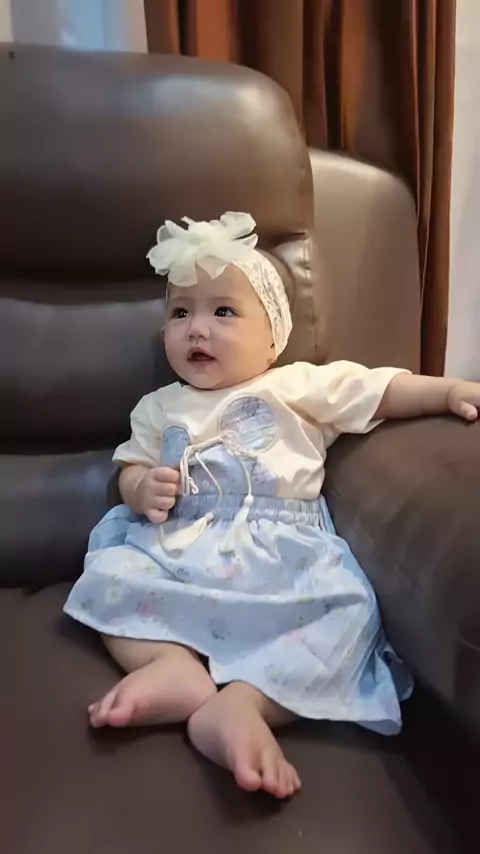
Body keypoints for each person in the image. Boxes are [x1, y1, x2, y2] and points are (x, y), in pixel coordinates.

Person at [64, 212, 480, 800]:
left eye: (223, 312)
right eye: (180, 313)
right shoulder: (159, 406)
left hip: (283, 558)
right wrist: (139, 488)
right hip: (178, 547)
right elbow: (130, 465)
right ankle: (169, 666)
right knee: (110, 573)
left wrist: (450, 390)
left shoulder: (298, 385)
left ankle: (244, 704)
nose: (196, 329)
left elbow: (382, 389)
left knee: (347, 615)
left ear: (273, 337)